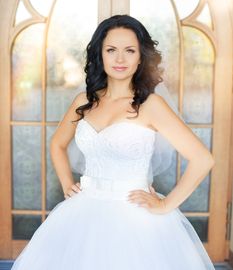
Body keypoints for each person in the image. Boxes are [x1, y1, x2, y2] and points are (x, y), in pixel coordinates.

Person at [12, 14, 215, 269]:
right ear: (100, 54)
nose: (120, 59)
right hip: (83, 211)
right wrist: (66, 182)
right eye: (111, 50)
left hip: (133, 216)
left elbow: (202, 159)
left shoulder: (150, 105)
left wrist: (165, 205)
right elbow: (57, 144)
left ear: (141, 56)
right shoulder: (83, 101)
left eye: (130, 50)